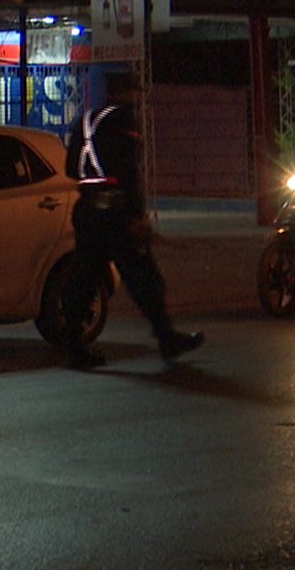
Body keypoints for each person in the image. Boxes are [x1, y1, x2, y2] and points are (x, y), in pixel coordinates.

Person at [59, 71, 204, 369]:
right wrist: (136, 215)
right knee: (142, 275)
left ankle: (73, 345)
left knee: (84, 277)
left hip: (86, 208)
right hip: (115, 210)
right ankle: (166, 338)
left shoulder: (86, 120)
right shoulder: (122, 120)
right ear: (125, 93)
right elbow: (127, 172)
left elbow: (72, 168)